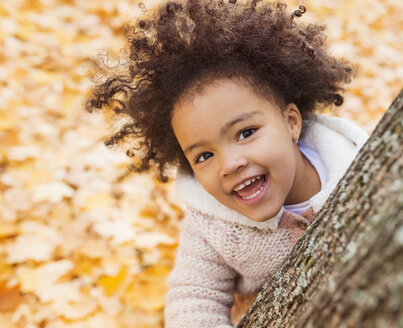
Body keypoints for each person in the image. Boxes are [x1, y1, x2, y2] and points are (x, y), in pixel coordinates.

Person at [86, 0, 369, 326]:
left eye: (246, 132)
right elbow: (193, 297)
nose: (230, 164)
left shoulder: (355, 167)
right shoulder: (212, 223)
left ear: (291, 122)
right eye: (204, 155)